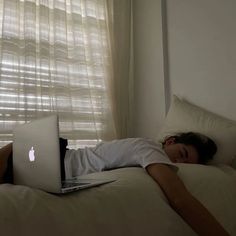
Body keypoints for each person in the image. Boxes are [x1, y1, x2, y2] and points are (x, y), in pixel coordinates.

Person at [0, 132, 229, 236]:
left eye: (186, 162)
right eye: (181, 153)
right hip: (56, 160)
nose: (178, 162)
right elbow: (180, 199)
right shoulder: (149, 148)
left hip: (55, 160)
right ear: (170, 141)